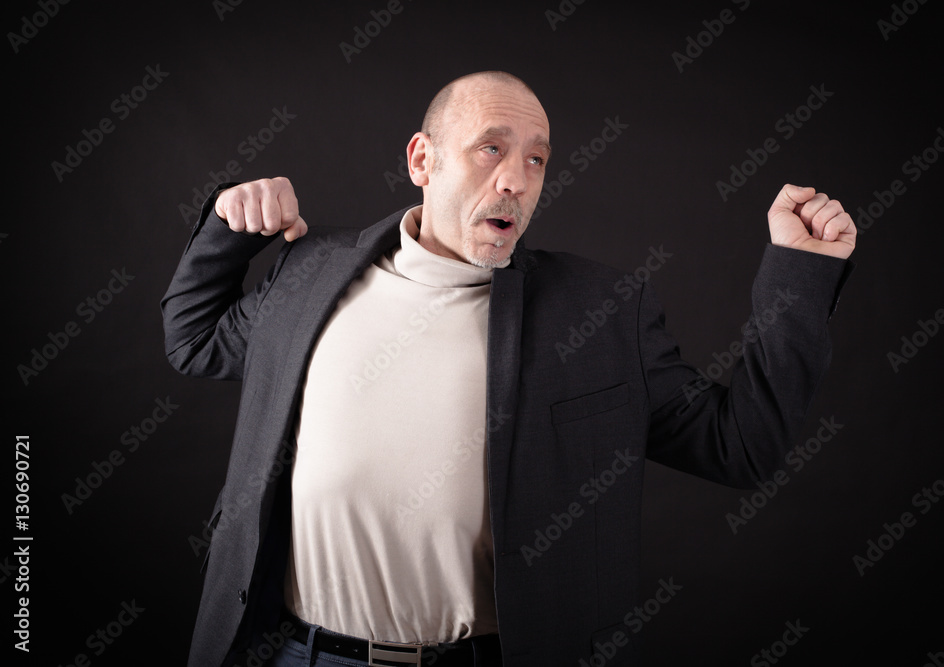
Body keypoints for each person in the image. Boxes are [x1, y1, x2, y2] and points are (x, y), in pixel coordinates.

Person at [161, 70, 855, 667]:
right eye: (492, 148)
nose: (516, 180)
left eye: (536, 160)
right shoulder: (310, 272)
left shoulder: (598, 313)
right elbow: (194, 339)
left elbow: (741, 446)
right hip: (300, 655)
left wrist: (801, 275)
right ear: (421, 159)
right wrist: (231, 227)